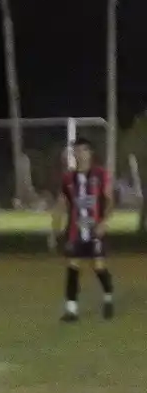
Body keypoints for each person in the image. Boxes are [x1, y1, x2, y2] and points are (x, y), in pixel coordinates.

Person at [52, 137, 114, 322]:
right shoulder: (68, 178)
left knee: (98, 267)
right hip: (75, 232)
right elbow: (61, 205)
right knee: (72, 267)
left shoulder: (101, 175)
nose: (79, 154)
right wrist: (55, 229)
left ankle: (108, 296)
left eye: (83, 150)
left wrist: (104, 222)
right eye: (76, 151)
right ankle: (71, 310)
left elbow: (110, 201)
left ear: (90, 152)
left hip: (95, 230)